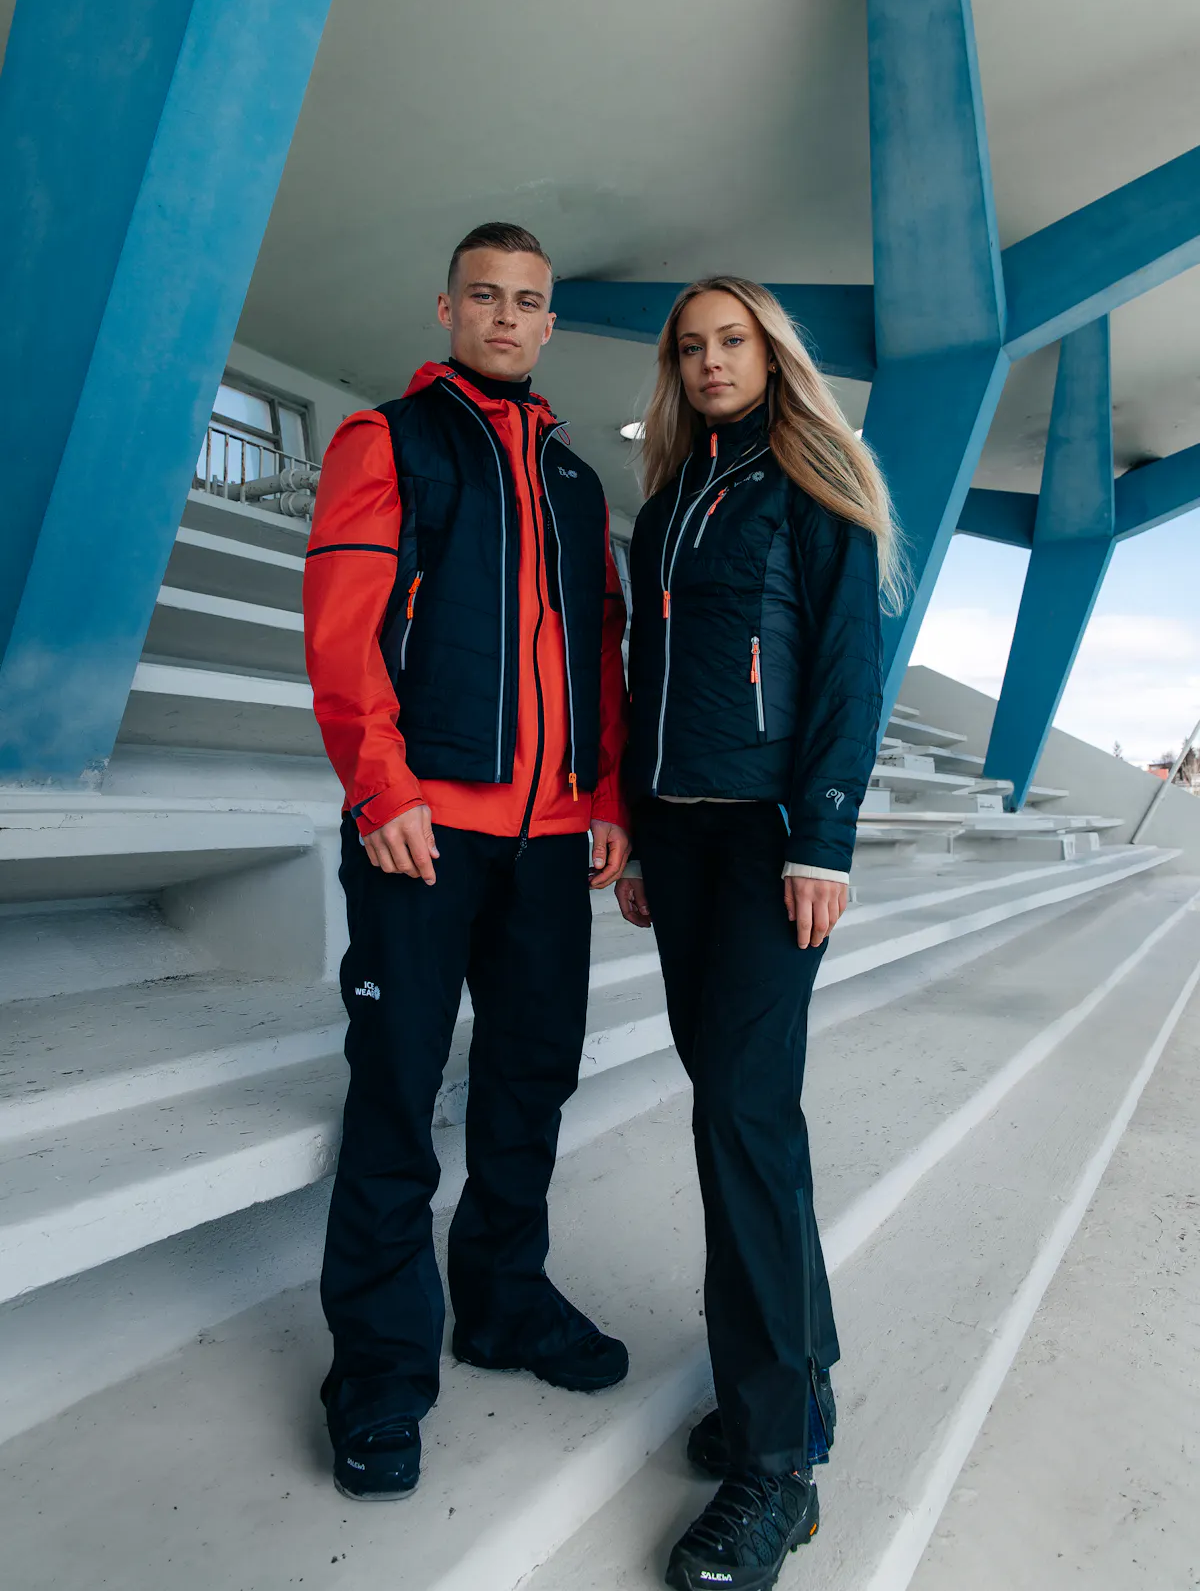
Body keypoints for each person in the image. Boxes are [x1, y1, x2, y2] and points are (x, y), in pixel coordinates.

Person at [304, 221, 632, 1502]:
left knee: (528, 1084)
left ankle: (501, 1301)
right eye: (485, 296)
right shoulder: (386, 441)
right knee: (395, 1094)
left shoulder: (574, 483)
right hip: (421, 832)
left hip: (552, 844)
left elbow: (596, 658)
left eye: (529, 302)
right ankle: (381, 1372)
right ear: (447, 308)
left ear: (550, 325)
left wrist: (606, 796)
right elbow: (344, 631)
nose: (507, 316)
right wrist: (381, 787)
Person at [615, 277, 899, 1591]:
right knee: (744, 1117)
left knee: (737, 1117)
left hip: (769, 835)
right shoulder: (672, 498)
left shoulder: (811, 481)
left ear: (771, 354)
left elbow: (849, 666)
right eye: (693, 346)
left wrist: (824, 836)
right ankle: (803, 1378)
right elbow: (642, 679)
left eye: (733, 340)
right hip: (679, 841)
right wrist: (630, 826)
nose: (713, 360)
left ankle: (777, 1472)